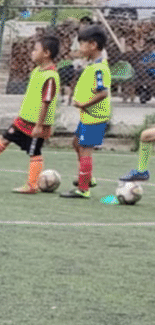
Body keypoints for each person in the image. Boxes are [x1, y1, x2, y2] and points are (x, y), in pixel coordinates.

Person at [0, 34, 60, 193]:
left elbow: (46, 102)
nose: (32, 53)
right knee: (5, 138)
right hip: (23, 119)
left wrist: (39, 125)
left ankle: (32, 185)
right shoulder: (37, 71)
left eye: (35, 50)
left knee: (35, 152)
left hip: (36, 124)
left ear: (47, 53)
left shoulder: (51, 77)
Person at [63, 26, 111, 199]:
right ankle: (87, 177)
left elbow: (103, 92)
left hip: (95, 117)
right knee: (77, 144)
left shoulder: (99, 68)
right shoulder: (93, 65)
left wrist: (84, 103)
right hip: (88, 116)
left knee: (85, 149)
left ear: (93, 45)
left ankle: (83, 189)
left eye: (81, 44)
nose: (79, 49)